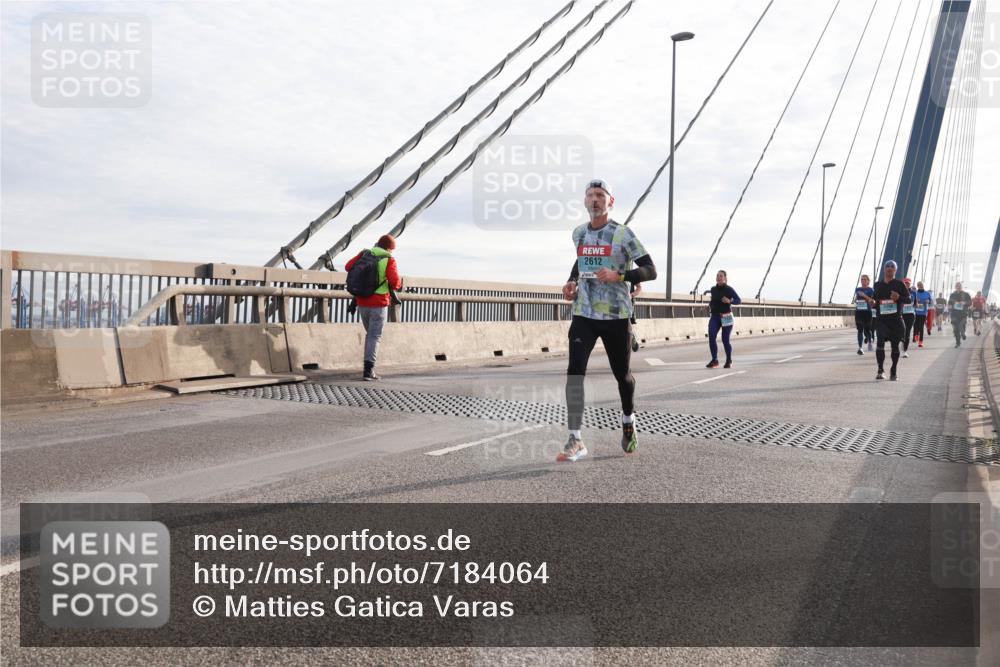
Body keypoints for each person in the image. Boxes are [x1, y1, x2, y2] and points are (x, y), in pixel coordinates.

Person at [560, 179, 657, 462]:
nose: (595, 199)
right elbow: (580, 261)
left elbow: (650, 270)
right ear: (584, 201)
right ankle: (575, 439)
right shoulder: (579, 233)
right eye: (590, 195)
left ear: (610, 202)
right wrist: (571, 282)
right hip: (584, 313)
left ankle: (628, 421)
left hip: (616, 315)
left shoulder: (623, 234)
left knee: (622, 376)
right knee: (574, 372)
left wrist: (621, 276)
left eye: (600, 195)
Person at [344, 234, 403, 380]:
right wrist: (397, 283)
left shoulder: (365, 253)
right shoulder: (388, 259)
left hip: (362, 302)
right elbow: (395, 283)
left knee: (370, 334)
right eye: (392, 249)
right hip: (379, 303)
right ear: (389, 248)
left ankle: (367, 368)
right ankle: (368, 371)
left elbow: (347, 267)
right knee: (374, 336)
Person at [860, 260, 910, 381]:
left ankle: (893, 370)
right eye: (887, 266)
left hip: (896, 320)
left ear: (895, 270)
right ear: (884, 269)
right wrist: (872, 302)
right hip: (882, 320)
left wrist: (899, 297)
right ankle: (880, 370)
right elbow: (876, 301)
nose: (889, 268)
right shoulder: (878, 285)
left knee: (895, 346)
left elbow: (909, 300)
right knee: (880, 343)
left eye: (892, 266)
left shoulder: (900, 284)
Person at [704, 271, 741, 368]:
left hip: (726, 316)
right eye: (717, 276)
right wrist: (709, 306)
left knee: (725, 340)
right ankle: (714, 360)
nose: (719, 277)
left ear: (725, 278)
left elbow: (739, 300)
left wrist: (730, 301)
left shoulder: (729, 289)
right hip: (715, 316)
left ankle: (729, 360)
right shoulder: (713, 289)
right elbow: (713, 301)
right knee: (711, 336)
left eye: (721, 276)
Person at [853, 275, 875, 355]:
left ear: (868, 281)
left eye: (865, 280)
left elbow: (873, 302)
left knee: (867, 330)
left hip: (867, 312)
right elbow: (857, 298)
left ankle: (870, 342)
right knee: (860, 330)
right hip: (859, 312)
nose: (863, 281)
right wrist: (857, 300)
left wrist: (864, 296)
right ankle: (860, 348)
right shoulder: (857, 289)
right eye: (862, 279)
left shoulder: (871, 290)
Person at [948, 282, 972, 348]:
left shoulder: (966, 294)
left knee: (962, 326)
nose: (958, 287)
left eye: (960, 286)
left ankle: (963, 333)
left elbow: (970, 302)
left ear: (961, 287)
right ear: (955, 287)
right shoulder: (952, 295)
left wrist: (964, 303)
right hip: (954, 313)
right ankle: (958, 342)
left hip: (963, 313)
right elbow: (950, 303)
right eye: (957, 286)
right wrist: (950, 307)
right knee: (956, 329)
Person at [912, 281, 933, 348]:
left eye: (921, 285)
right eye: (919, 285)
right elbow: (912, 301)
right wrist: (916, 301)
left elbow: (931, 301)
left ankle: (920, 342)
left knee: (921, 326)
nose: (920, 286)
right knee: (915, 325)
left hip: (923, 312)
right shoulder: (915, 293)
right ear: (917, 286)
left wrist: (928, 301)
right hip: (916, 312)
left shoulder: (927, 293)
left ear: (923, 286)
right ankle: (916, 335)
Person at [901, 278, 916, 357]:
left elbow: (915, 303)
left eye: (908, 283)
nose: (907, 285)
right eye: (905, 283)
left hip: (910, 314)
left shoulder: (913, 293)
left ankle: (905, 351)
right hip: (901, 314)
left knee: (907, 332)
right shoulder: (899, 292)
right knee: (901, 332)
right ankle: (901, 343)